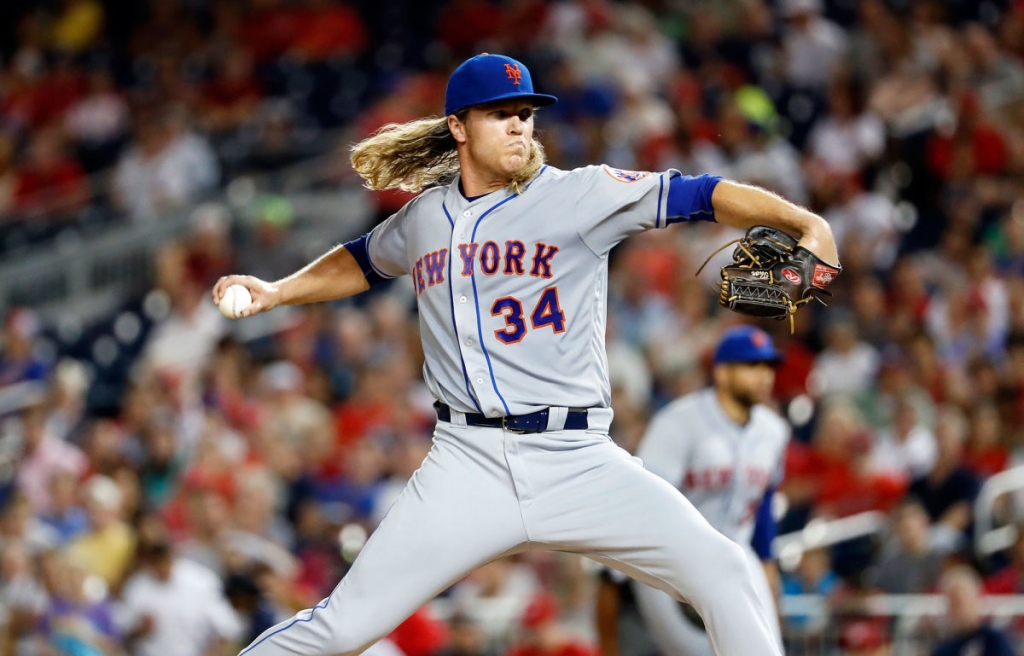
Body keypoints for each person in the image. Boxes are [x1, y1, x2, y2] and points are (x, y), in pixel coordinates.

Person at [213, 53, 839, 656]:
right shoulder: (426, 216)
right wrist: (277, 291)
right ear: (458, 126)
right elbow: (362, 260)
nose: (519, 123)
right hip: (466, 464)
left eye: (526, 111)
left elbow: (700, 193)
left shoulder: (579, 194)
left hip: (577, 459)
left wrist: (804, 222)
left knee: (725, 571)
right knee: (342, 630)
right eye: (499, 112)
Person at [615, 326, 789, 656]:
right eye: (751, 366)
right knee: (697, 651)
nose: (764, 375)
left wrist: (768, 566)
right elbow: (648, 495)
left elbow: (763, 503)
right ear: (722, 373)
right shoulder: (679, 422)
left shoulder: (774, 430)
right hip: (676, 556)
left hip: (740, 554)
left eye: (768, 366)